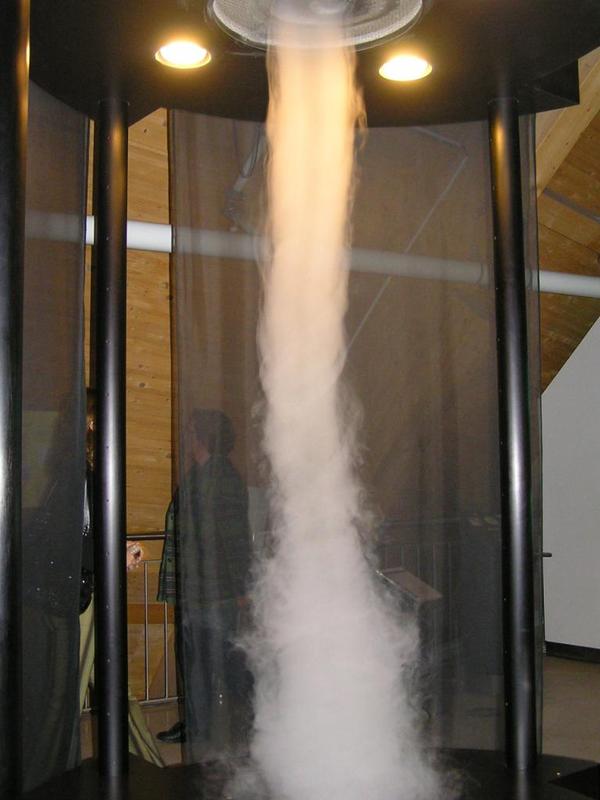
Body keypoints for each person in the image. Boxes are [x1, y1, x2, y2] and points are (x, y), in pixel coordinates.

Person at [156, 409, 252, 757]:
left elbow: (236, 538)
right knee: (201, 664)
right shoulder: (200, 474)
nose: (186, 434)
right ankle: (200, 731)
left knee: (223, 665)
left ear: (203, 436)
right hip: (198, 589)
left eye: (191, 429)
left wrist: (242, 588)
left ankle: (236, 733)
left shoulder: (221, 477)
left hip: (216, 592)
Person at [79, 388, 164, 767]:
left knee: (117, 687)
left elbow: (88, 532)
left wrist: (117, 547)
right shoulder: (73, 468)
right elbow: (62, 537)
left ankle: (150, 768)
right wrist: (112, 554)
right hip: (78, 596)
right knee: (73, 694)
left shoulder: (88, 467)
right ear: (91, 421)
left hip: (91, 589)